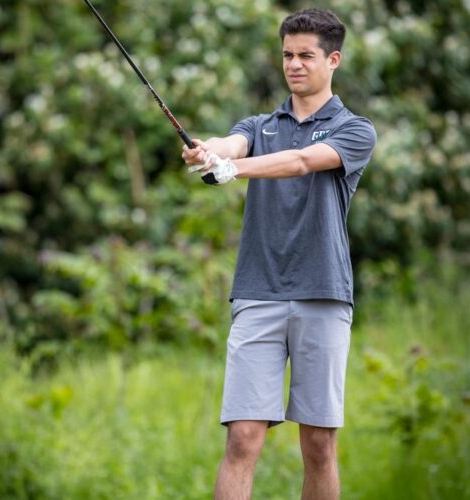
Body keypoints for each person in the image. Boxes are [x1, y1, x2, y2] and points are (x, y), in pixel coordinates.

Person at [182, 8, 376, 500]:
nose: (294, 64)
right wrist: (211, 154)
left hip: (323, 295)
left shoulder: (355, 130)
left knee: (318, 444)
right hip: (257, 294)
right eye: (287, 54)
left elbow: (302, 162)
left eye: (306, 56)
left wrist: (233, 169)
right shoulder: (260, 125)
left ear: (333, 59)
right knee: (243, 437)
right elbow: (234, 143)